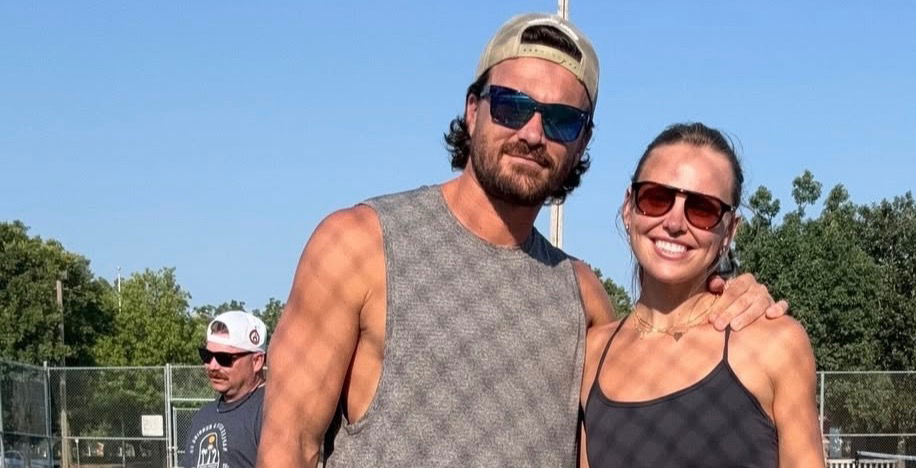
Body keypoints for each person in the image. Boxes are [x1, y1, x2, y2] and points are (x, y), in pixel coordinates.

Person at [257, 13, 786, 467]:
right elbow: (290, 444)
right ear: (473, 109)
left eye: (561, 120)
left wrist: (729, 298)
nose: (532, 133)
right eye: (512, 106)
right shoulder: (360, 244)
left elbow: (659, 350)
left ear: (582, 141)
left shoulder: (582, 296)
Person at [581, 123, 824, 468]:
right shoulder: (592, 354)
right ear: (628, 207)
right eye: (656, 198)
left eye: (702, 209)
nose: (675, 223)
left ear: (729, 231)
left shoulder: (774, 344)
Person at [183, 311, 268, 468]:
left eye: (224, 358)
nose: (212, 366)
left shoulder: (270, 412)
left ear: (256, 361)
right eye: (207, 356)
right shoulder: (203, 416)